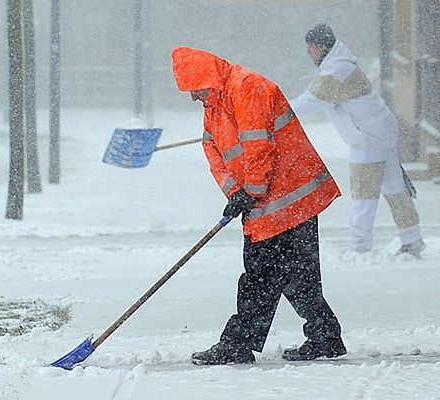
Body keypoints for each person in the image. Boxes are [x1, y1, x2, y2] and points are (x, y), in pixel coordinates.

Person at [171, 46, 346, 365]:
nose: (193, 97)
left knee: (260, 274)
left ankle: (238, 343)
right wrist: (234, 192)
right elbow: (212, 150)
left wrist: (249, 191)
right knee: (297, 274)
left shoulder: (246, 87)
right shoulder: (215, 102)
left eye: (193, 89)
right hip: (268, 199)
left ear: (206, 78)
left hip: (288, 194)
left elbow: (259, 147)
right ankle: (325, 337)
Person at [290, 24, 425, 257]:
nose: (308, 52)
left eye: (310, 47)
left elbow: (310, 101)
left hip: (369, 138)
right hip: (380, 131)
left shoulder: (337, 69)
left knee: (364, 193)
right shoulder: (339, 64)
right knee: (394, 189)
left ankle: (359, 247)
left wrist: (275, 113)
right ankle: (412, 239)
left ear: (321, 47)